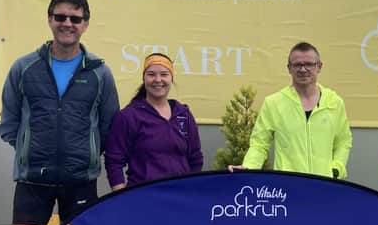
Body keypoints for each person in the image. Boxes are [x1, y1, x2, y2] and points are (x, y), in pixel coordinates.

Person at [0, 0, 119, 225]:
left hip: (80, 181)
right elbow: (9, 123)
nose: (67, 23)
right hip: (32, 182)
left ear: (85, 24)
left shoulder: (99, 73)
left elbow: (109, 127)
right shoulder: (24, 68)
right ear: (50, 19)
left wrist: (86, 155)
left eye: (75, 18)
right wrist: (30, 152)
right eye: (61, 17)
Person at [229, 41, 352, 178]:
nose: (303, 69)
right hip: (287, 187)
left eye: (309, 64)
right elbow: (259, 144)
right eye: (297, 65)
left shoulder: (335, 102)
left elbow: (343, 141)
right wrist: (248, 167)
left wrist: (336, 170)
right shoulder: (273, 103)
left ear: (319, 67)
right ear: (289, 68)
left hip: (324, 186)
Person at [105, 52, 203, 190]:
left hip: (180, 197)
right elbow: (113, 161)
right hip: (143, 197)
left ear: (171, 78)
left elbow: (196, 158)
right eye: (151, 74)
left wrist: (189, 190)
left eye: (164, 74)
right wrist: (121, 198)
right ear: (144, 78)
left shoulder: (184, 115)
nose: (158, 80)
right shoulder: (128, 116)